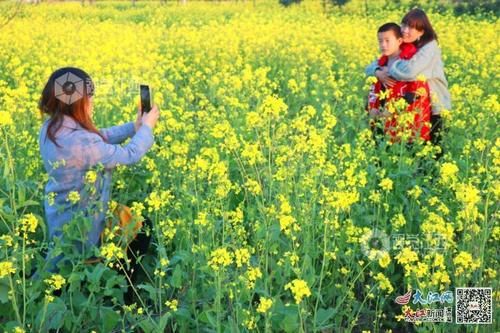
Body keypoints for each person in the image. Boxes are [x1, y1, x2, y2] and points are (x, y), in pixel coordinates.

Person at [37, 67, 160, 274]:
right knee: (140, 229)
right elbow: (129, 154)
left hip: (61, 214)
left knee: (129, 221)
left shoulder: (53, 127)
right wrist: (147, 128)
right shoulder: (81, 141)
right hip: (82, 224)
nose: (92, 102)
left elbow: (99, 138)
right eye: (90, 97)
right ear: (78, 103)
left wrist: (134, 126)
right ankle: (122, 292)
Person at [366, 9, 451, 158]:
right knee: (413, 151)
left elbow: (410, 72)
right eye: (403, 25)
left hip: (435, 107)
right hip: (416, 106)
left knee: (432, 152)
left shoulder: (429, 47)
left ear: (421, 31)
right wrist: (378, 71)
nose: (405, 30)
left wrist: (389, 67)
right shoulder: (408, 45)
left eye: (411, 27)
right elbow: (370, 67)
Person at [366, 22, 432, 143]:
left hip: (409, 128)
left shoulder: (411, 63)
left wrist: (392, 110)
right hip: (385, 125)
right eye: (380, 41)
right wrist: (372, 108)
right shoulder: (380, 65)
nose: (383, 45)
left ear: (399, 41)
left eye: (387, 40)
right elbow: (373, 91)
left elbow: (416, 93)